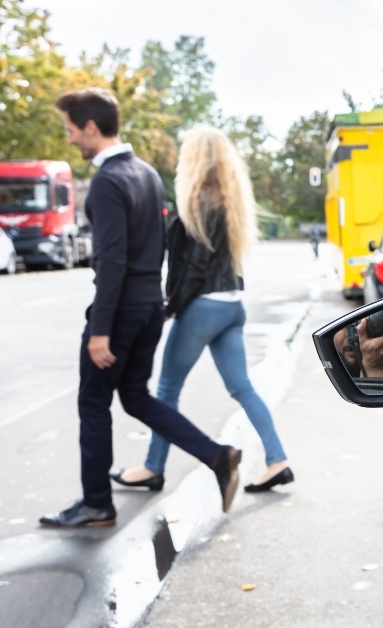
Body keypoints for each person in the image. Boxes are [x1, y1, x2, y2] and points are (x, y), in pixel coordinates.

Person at [40, 90, 242, 528]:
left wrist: (100, 328)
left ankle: (96, 503)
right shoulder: (147, 174)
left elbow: (111, 259)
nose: (71, 138)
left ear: (91, 127)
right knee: (133, 396)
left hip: (120, 313)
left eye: (71, 129)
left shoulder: (108, 182)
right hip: (149, 308)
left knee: (94, 402)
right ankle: (217, 455)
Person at [109, 125, 293, 494]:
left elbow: (193, 268)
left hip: (203, 307)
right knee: (242, 388)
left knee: (165, 389)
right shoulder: (230, 198)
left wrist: (169, 306)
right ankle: (278, 460)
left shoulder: (198, 200)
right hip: (231, 305)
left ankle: (152, 467)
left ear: (195, 158)